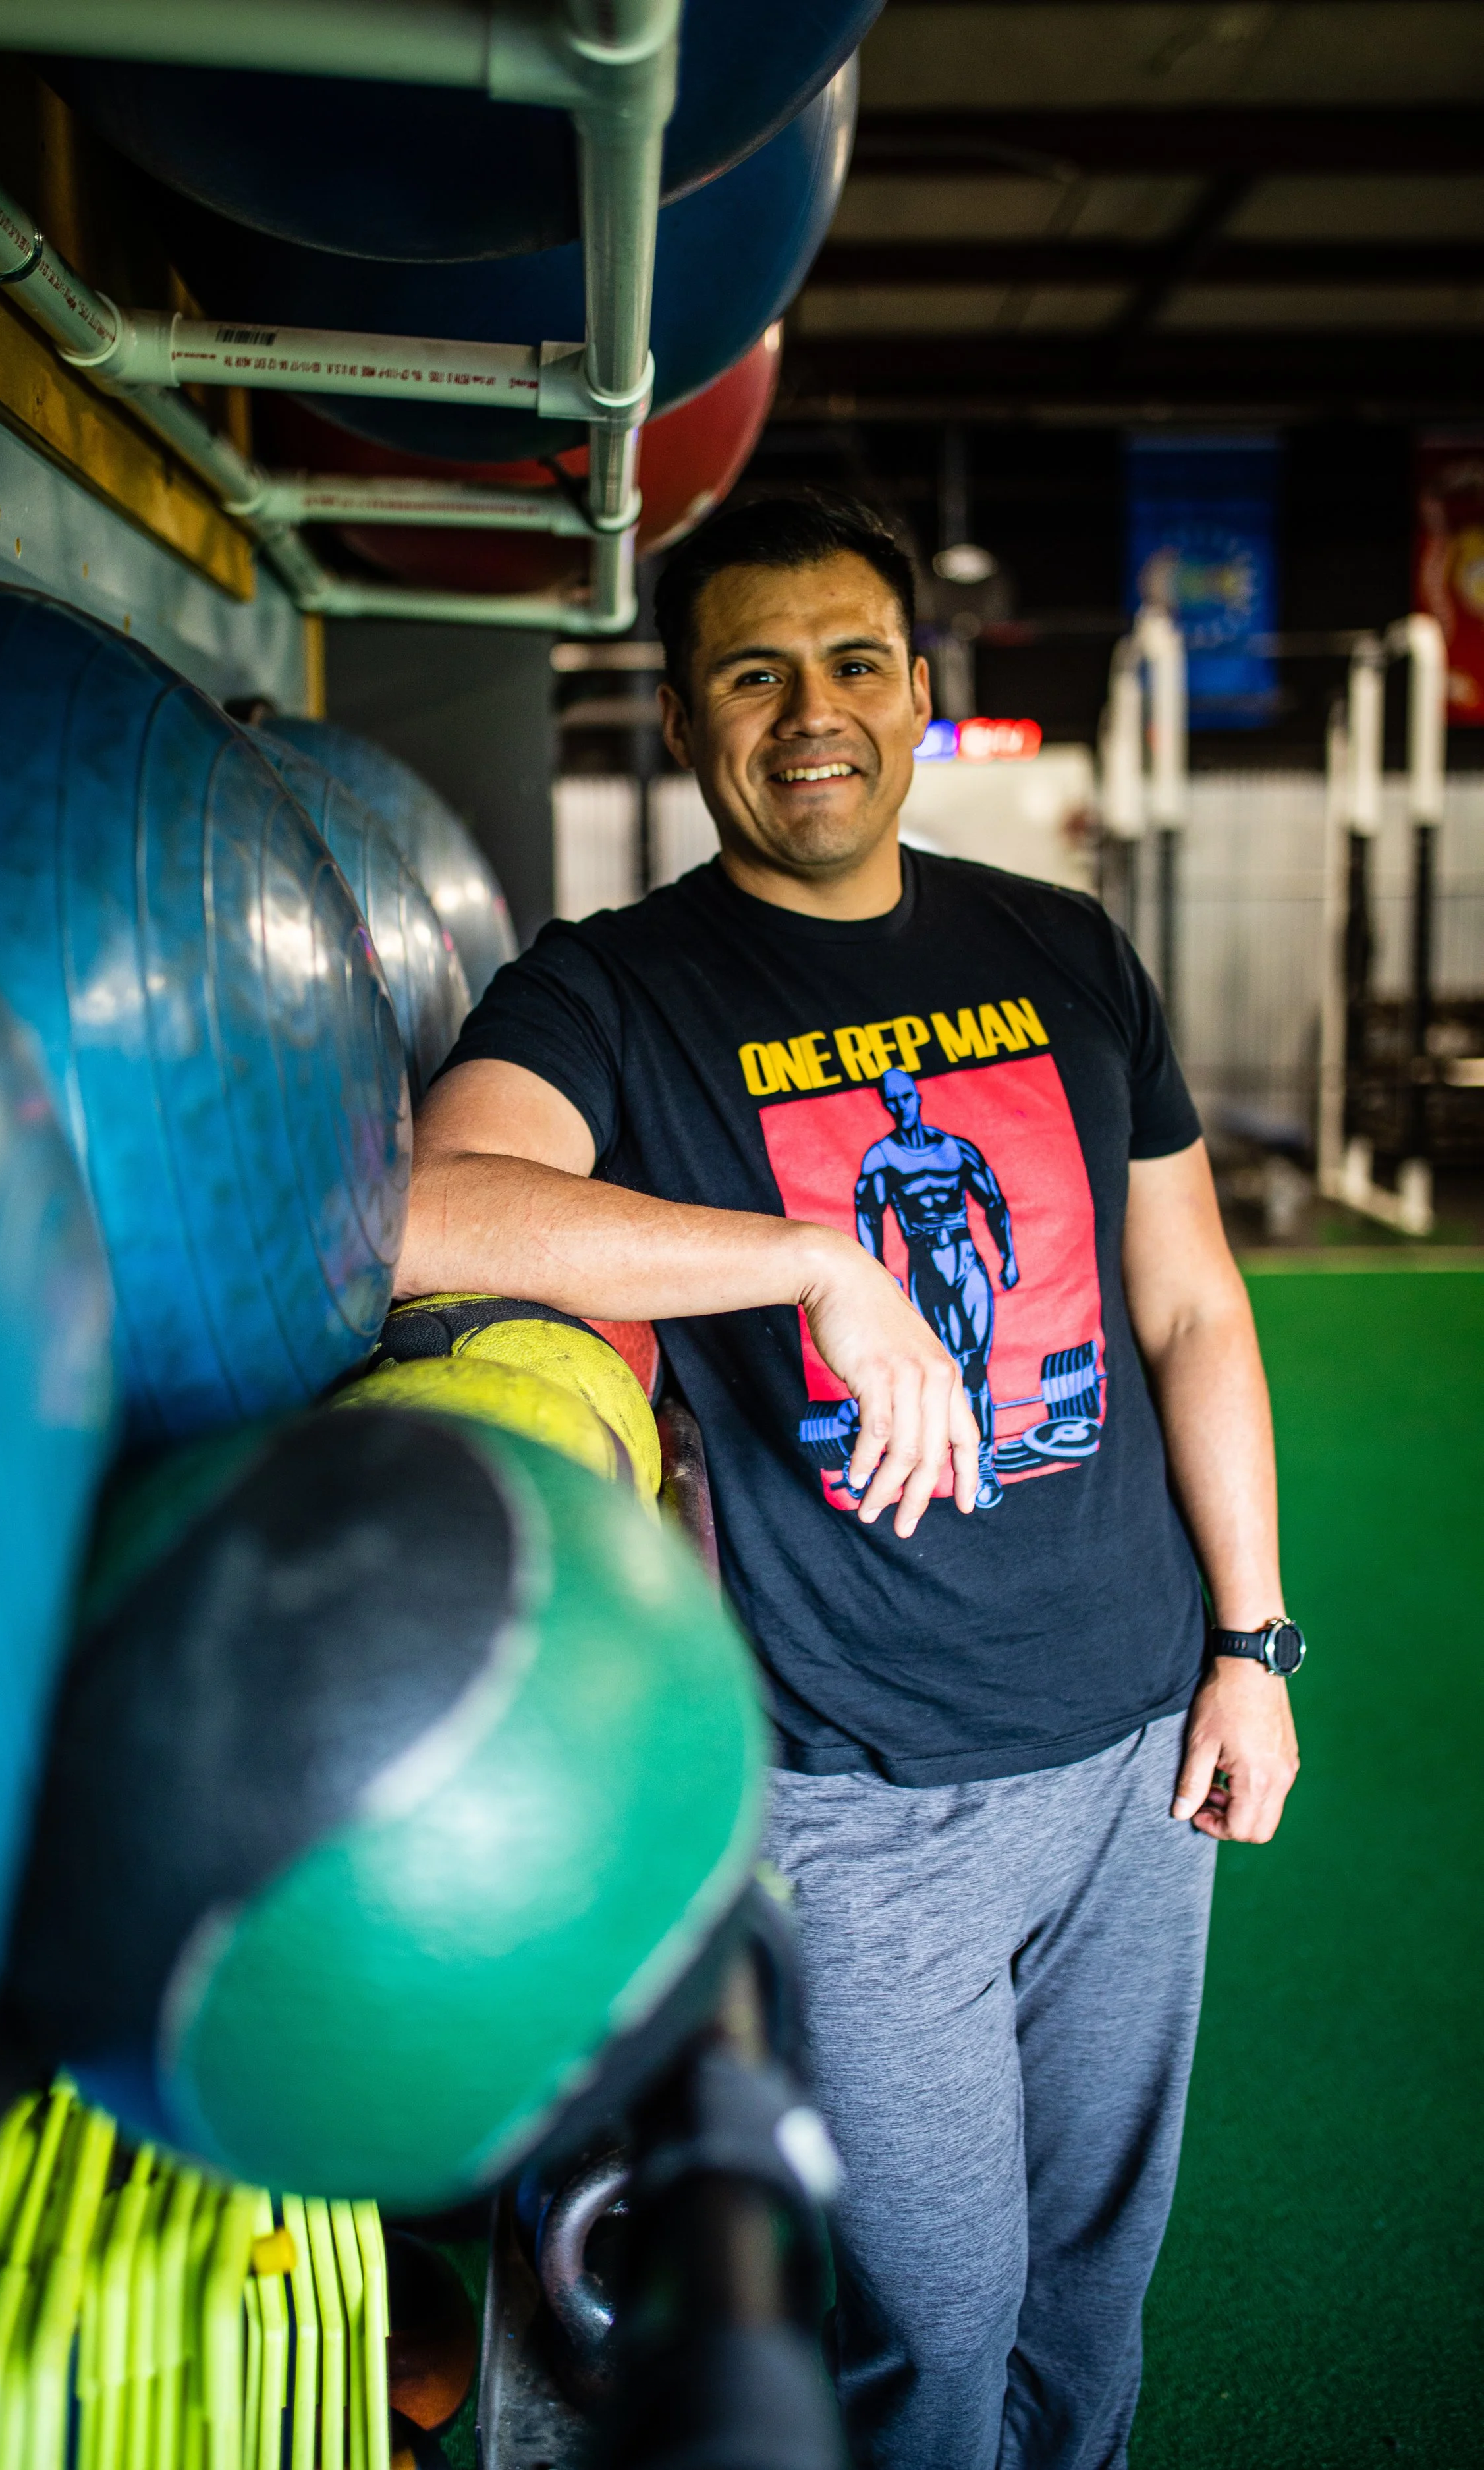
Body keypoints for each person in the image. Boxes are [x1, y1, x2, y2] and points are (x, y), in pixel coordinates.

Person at [398, 492, 1301, 2469]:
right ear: (677, 712)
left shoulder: (1061, 950)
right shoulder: (613, 989)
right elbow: (414, 1207)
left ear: (915, 690)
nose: (808, 711)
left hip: (1135, 1751)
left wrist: (1249, 1639)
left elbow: (1189, 1313)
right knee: (929, 2315)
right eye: (749, 670)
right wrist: (808, 1259)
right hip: (857, 1790)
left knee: (1083, 2288)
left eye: (849, 662)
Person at [855, 1066, 1018, 1508]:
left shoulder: (954, 1150)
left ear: (916, 1097)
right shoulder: (881, 1159)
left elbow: (994, 1201)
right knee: (937, 1372)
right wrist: (877, 1276)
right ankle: (922, 1466)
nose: (899, 1107)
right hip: (924, 1262)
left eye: (905, 1098)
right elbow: (868, 1217)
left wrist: (1009, 1256)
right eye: (891, 1101)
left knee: (976, 1368)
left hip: (966, 1260)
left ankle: (983, 1463)